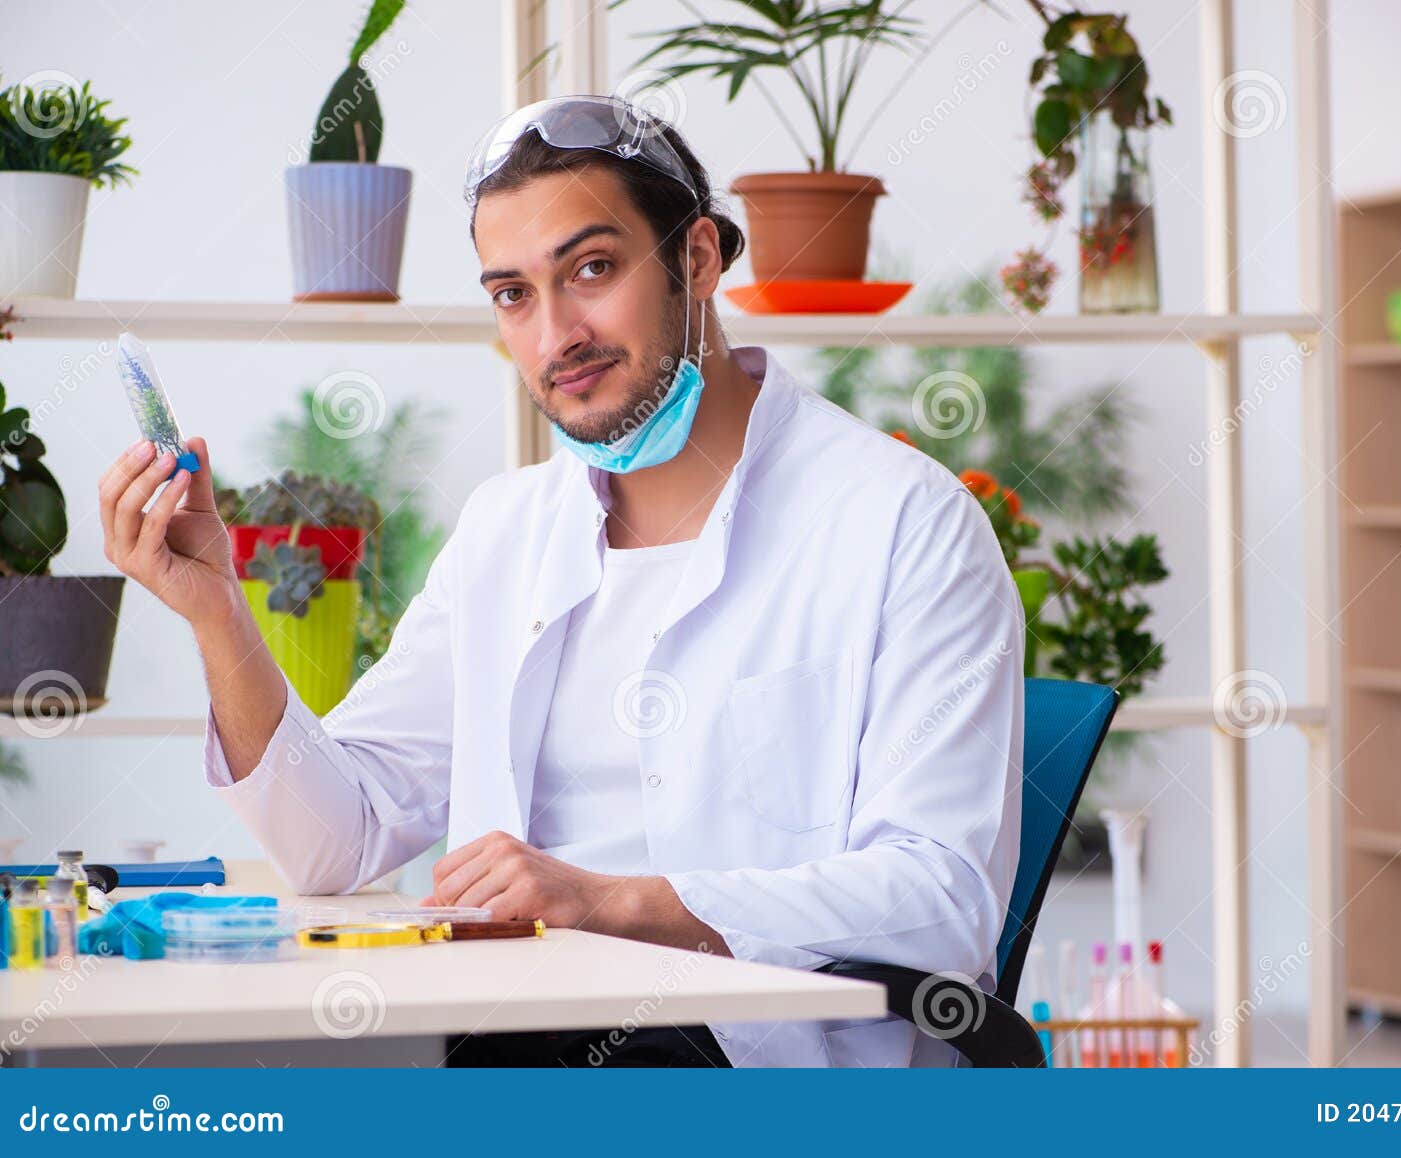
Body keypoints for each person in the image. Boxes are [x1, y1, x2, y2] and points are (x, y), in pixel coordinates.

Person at [98, 96, 1023, 1068]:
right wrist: (216, 611)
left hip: (765, 1068)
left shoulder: (901, 522)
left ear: (696, 259)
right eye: (512, 294)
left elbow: (941, 903)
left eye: (591, 269)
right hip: (518, 1040)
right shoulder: (509, 528)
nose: (554, 337)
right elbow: (341, 837)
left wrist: (607, 902)